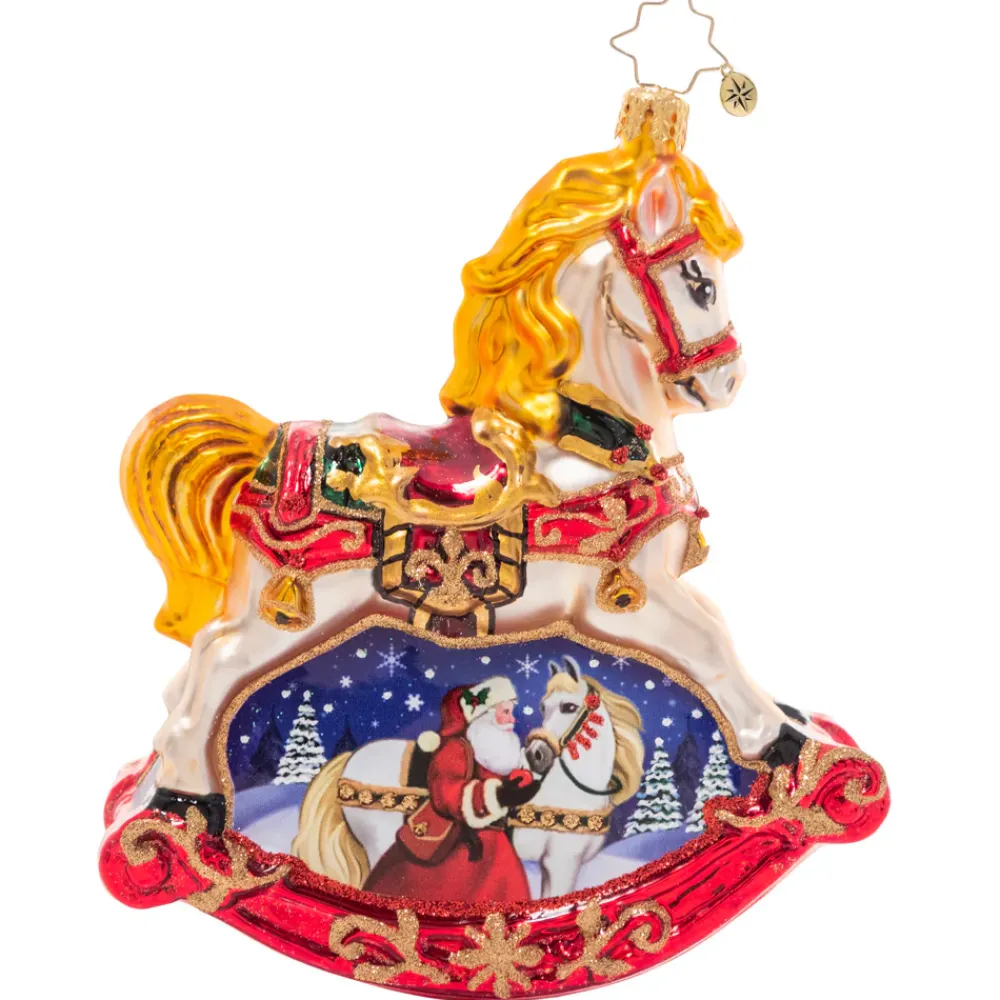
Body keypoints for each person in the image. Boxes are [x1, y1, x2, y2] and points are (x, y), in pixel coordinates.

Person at [364, 676, 540, 903]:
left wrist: (523, 784)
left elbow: (508, 779)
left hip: (495, 846)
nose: (512, 719)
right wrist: (495, 795)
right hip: (458, 846)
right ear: (484, 715)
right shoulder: (455, 748)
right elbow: (446, 792)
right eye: (505, 712)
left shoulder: (498, 753)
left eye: (511, 712)